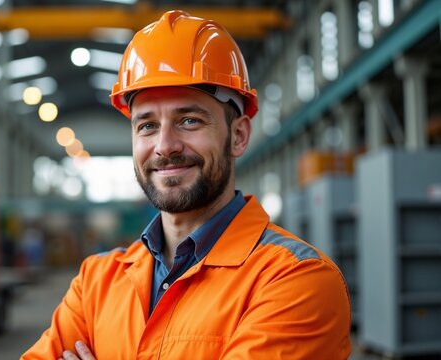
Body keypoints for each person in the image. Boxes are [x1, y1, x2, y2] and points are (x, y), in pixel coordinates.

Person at [21, 10, 351, 360]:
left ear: (238, 136)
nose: (165, 145)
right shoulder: (95, 283)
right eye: (146, 126)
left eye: (189, 120)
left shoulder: (294, 280)